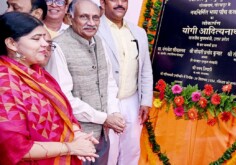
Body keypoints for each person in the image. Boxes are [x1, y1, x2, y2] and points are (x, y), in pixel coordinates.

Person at [0, 12, 99, 165]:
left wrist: (76, 134)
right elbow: (15, 148)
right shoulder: (5, 82)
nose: (45, 44)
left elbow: (63, 111)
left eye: (45, 39)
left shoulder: (37, 72)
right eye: (36, 39)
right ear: (12, 44)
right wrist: (70, 147)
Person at [45, 0, 126, 164]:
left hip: (102, 135)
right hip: (75, 138)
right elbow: (63, 99)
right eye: (84, 17)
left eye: (95, 18)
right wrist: (104, 118)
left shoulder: (100, 42)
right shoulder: (59, 47)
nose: (91, 23)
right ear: (70, 17)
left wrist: (114, 112)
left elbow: (108, 82)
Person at [97, 0, 153, 164]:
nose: (120, 4)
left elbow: (145, 69)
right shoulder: (95, 29)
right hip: (106, 101)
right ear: (103, 2)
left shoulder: (138, 32)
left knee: (132, 150)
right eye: (114, 0)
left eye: (124, 0)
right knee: (109, 152)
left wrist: (145, 101)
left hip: (132, 100)